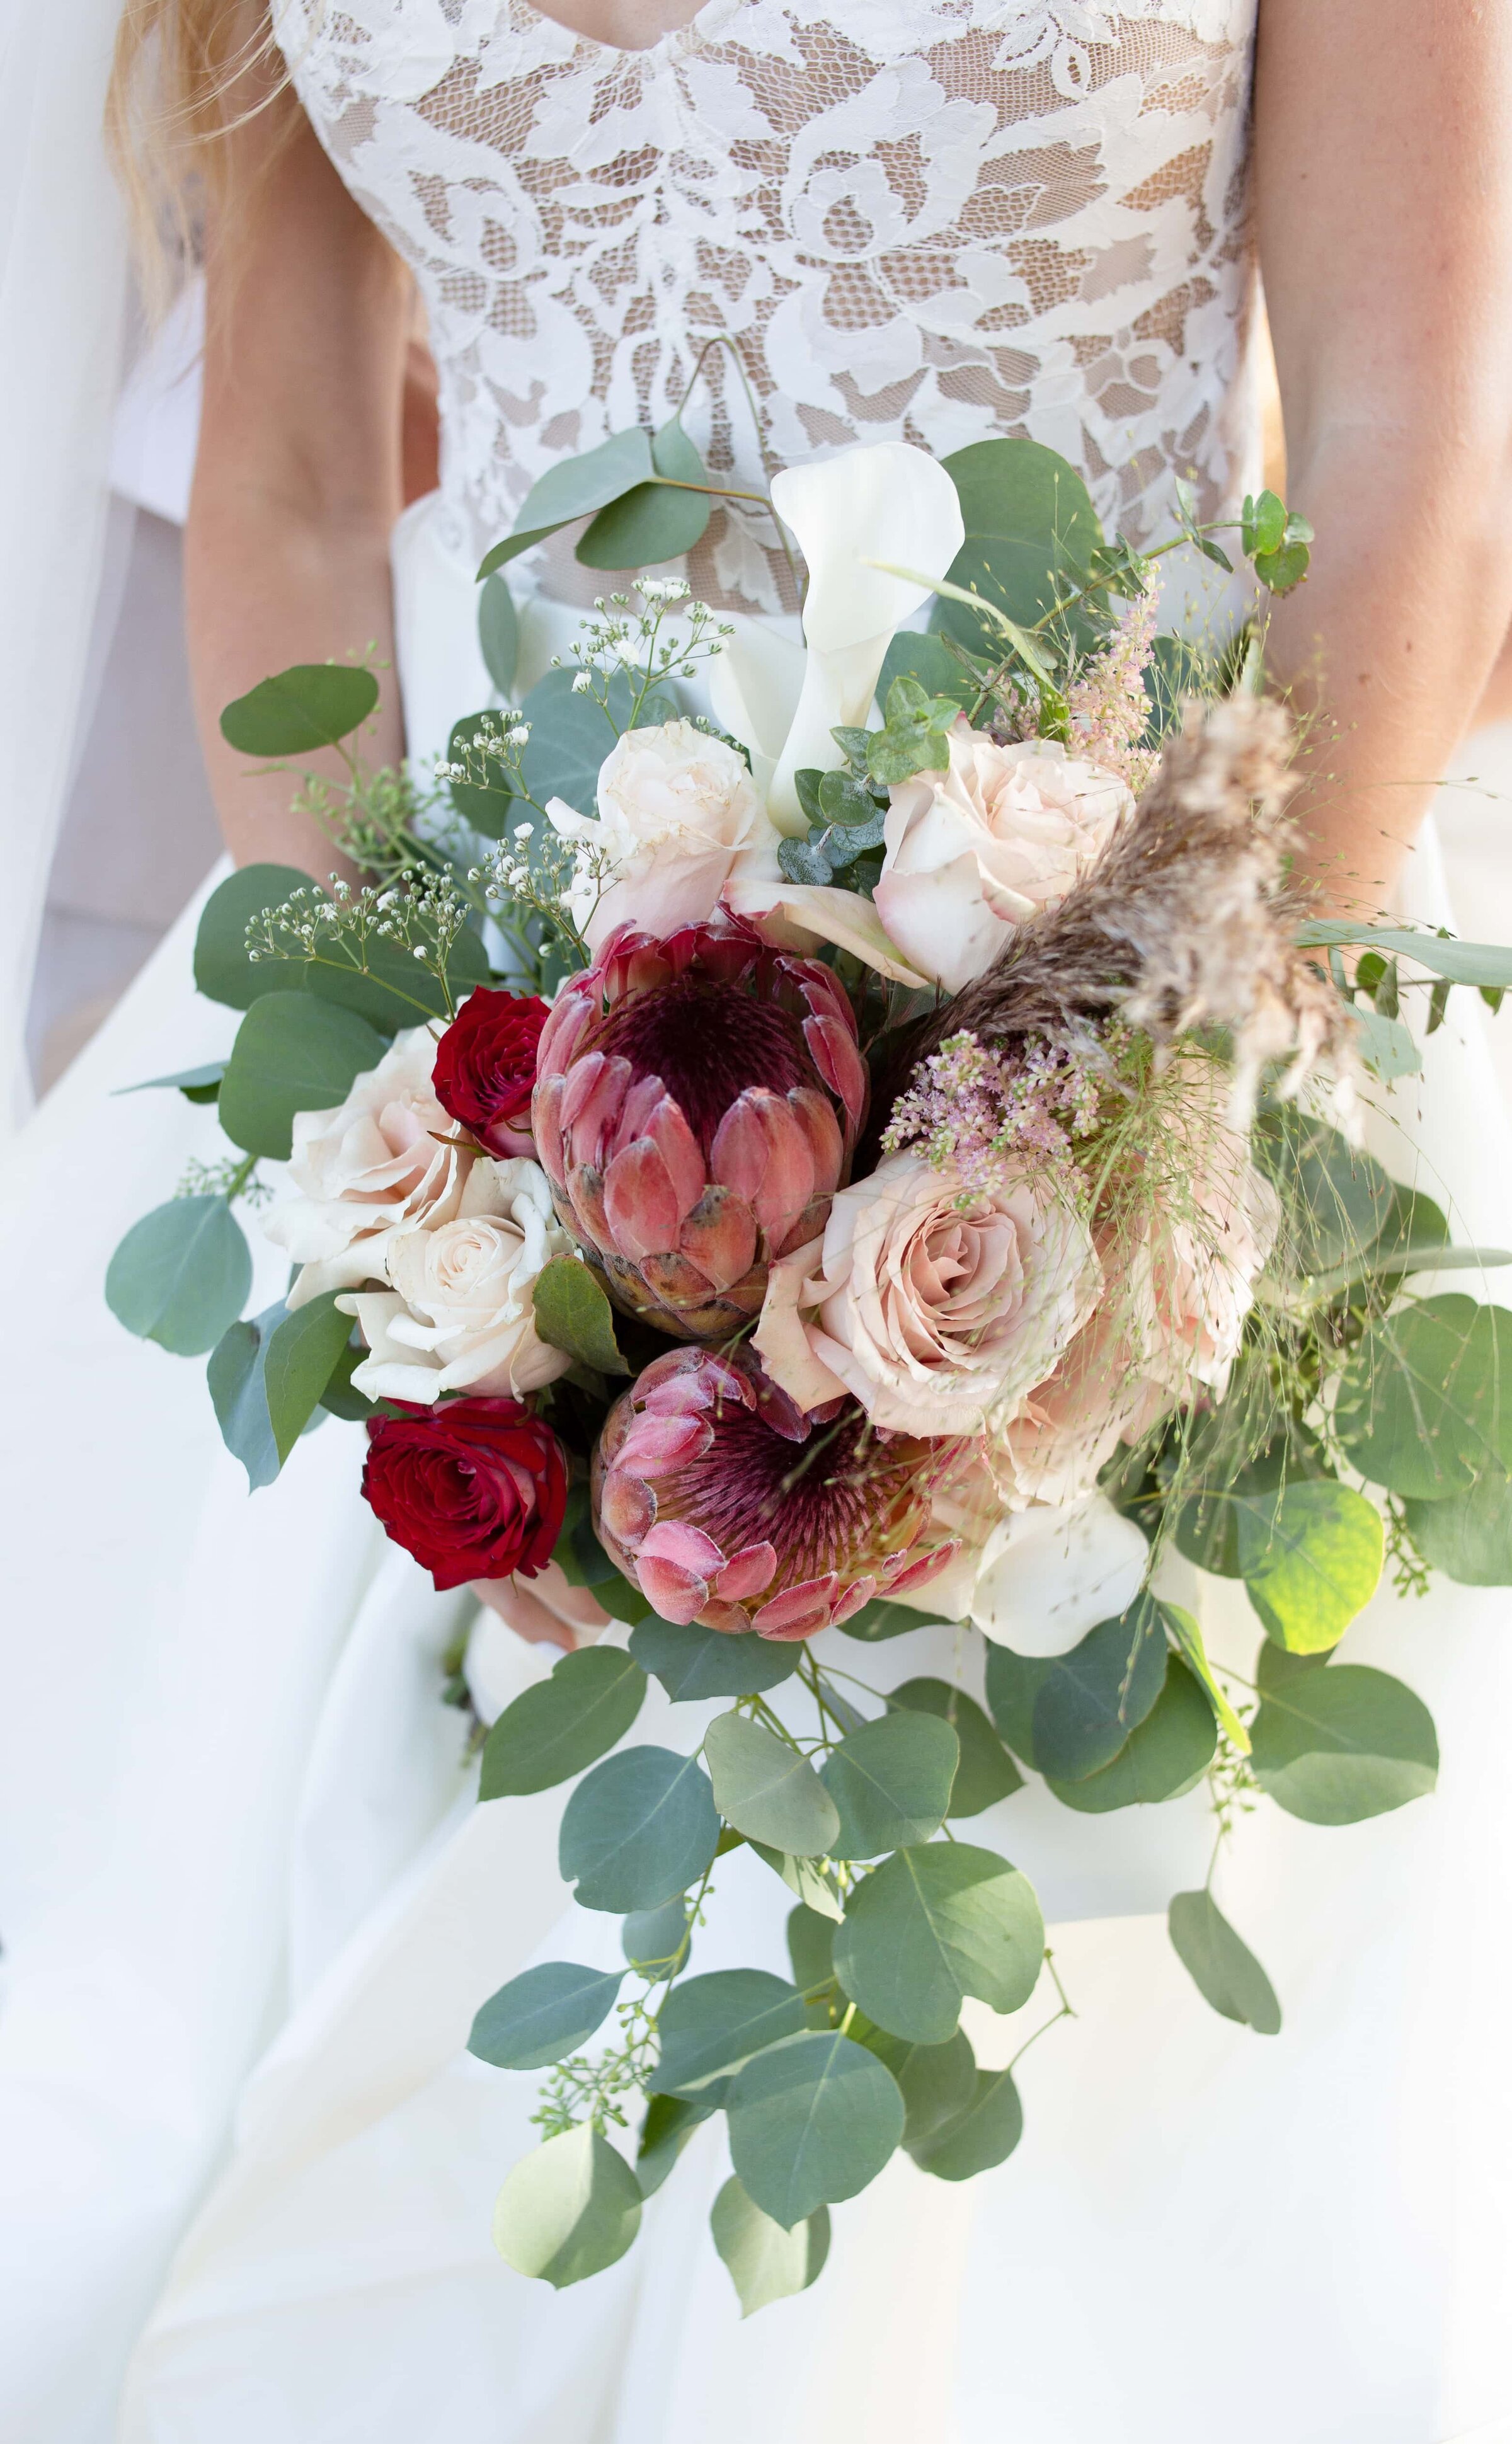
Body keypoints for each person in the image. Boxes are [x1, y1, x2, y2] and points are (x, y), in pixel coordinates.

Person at [3, 3, 1512, 2437]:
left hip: (1175, 976)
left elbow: (1405, 440)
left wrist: (1133, 1155)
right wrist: (434, 1194)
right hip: (495, 1071)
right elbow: (283, 483)